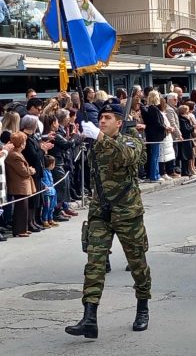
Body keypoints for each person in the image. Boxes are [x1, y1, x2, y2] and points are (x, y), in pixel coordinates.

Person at [65, 102, 152, 339]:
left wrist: (100, 137)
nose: (102, 121)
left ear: (119, 123)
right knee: (94, 263)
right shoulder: (96, 143)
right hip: (100, 212)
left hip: (127, 212)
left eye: (107, 118)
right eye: (100, 117)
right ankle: (89, 317)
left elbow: (128, 157)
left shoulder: (130, 141)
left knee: (137, 263)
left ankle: (142, 307)